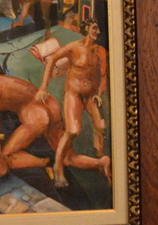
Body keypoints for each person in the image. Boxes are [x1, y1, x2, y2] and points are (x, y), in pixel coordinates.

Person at [37, 19, 109, 182]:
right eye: (94, 28)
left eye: (98, 29)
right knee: (72, 131)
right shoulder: (74, 47)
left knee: (101, 126)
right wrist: (43, 86)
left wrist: (99, 93)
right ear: (86, 29)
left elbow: (104, 75)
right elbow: (52, 60)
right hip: (74, 93)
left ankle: (100, 159)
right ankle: (58, 166)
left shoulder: (99, 51)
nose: (97, 32)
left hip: (91, 95)